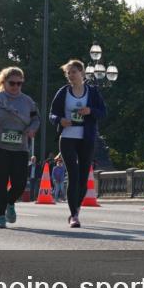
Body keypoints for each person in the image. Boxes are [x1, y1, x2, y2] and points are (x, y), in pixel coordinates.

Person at [0, 67, 39, 228]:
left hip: (20, 148)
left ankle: (10, 202)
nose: (16, 87)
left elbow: (36, 119)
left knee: (19, 183)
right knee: (1, 181)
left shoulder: (27, 101)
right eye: (12, 83)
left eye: (20, 83)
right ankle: (1, 216)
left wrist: (32, 128)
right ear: (4, 83)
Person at [49, 59, 107, 228]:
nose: (71, 75)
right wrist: (60, 120)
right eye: (68, 73)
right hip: (67, 137)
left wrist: (90, 111)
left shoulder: (93, 92)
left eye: (74, 72)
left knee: (82, 178)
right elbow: (52, 114)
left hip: (86, 138)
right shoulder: (63, 92)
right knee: (73, 175)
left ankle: (77, 208)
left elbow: (103, 112)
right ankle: (74, 215)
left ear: (82, 73)